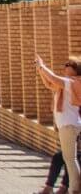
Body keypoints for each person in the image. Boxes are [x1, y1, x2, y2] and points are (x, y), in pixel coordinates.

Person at [37, 55, 81, 194]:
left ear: (76, 69)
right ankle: (74, 188)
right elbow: (49, 83)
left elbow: (54, 79)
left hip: (69, 124)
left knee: (70, 159)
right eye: (66, 64)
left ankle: (75, 189)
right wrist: (40, 69)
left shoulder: (74, 82)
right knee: (69, 158)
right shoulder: (66, 83)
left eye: (69, 64)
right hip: (67, 125)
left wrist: (42, 67)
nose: (66, 66)